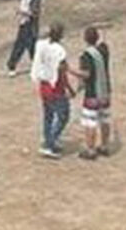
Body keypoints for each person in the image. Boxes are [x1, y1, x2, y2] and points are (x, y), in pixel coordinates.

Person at [68, 26, 112, 159]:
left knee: (90, 122)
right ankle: (104, 146)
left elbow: (86, 75)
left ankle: (90, 149)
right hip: (105, 91)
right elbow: (104, 45)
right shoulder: (104, 51)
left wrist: (70, 70)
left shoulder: (86, 55)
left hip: (92, 93)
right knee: (105, 118)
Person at [31, 22, 73, 159]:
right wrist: (70, 88)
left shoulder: (41, 45)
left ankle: (49, 140)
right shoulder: (59, 51)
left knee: (48, 115)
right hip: (56, 87)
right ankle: (49, 142)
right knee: (63, 115)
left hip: (43, 84)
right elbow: (62, 72)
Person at [6, 0, 43, 77]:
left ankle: (14, 65)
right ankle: (12, 65)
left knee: (28, 45)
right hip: (24, 21)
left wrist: (23, 12)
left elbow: (35, 12)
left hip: (30, 23)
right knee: (23, 45)